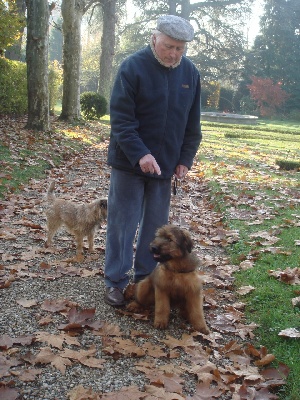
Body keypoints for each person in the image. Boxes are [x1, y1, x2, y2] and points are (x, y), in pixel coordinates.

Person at [104, 14, 202, 306]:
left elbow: (192, 124)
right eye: (169, 46)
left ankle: (145, 282)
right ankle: (116, 281)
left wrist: (185, 158)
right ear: (154, 38)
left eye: (180, 49)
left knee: (156, 231)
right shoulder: (132, 67)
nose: (174, 54)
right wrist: (140, 154)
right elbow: (121, 120)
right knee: (122, 224)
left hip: (166, 166)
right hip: (129, 163)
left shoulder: (190, 74)